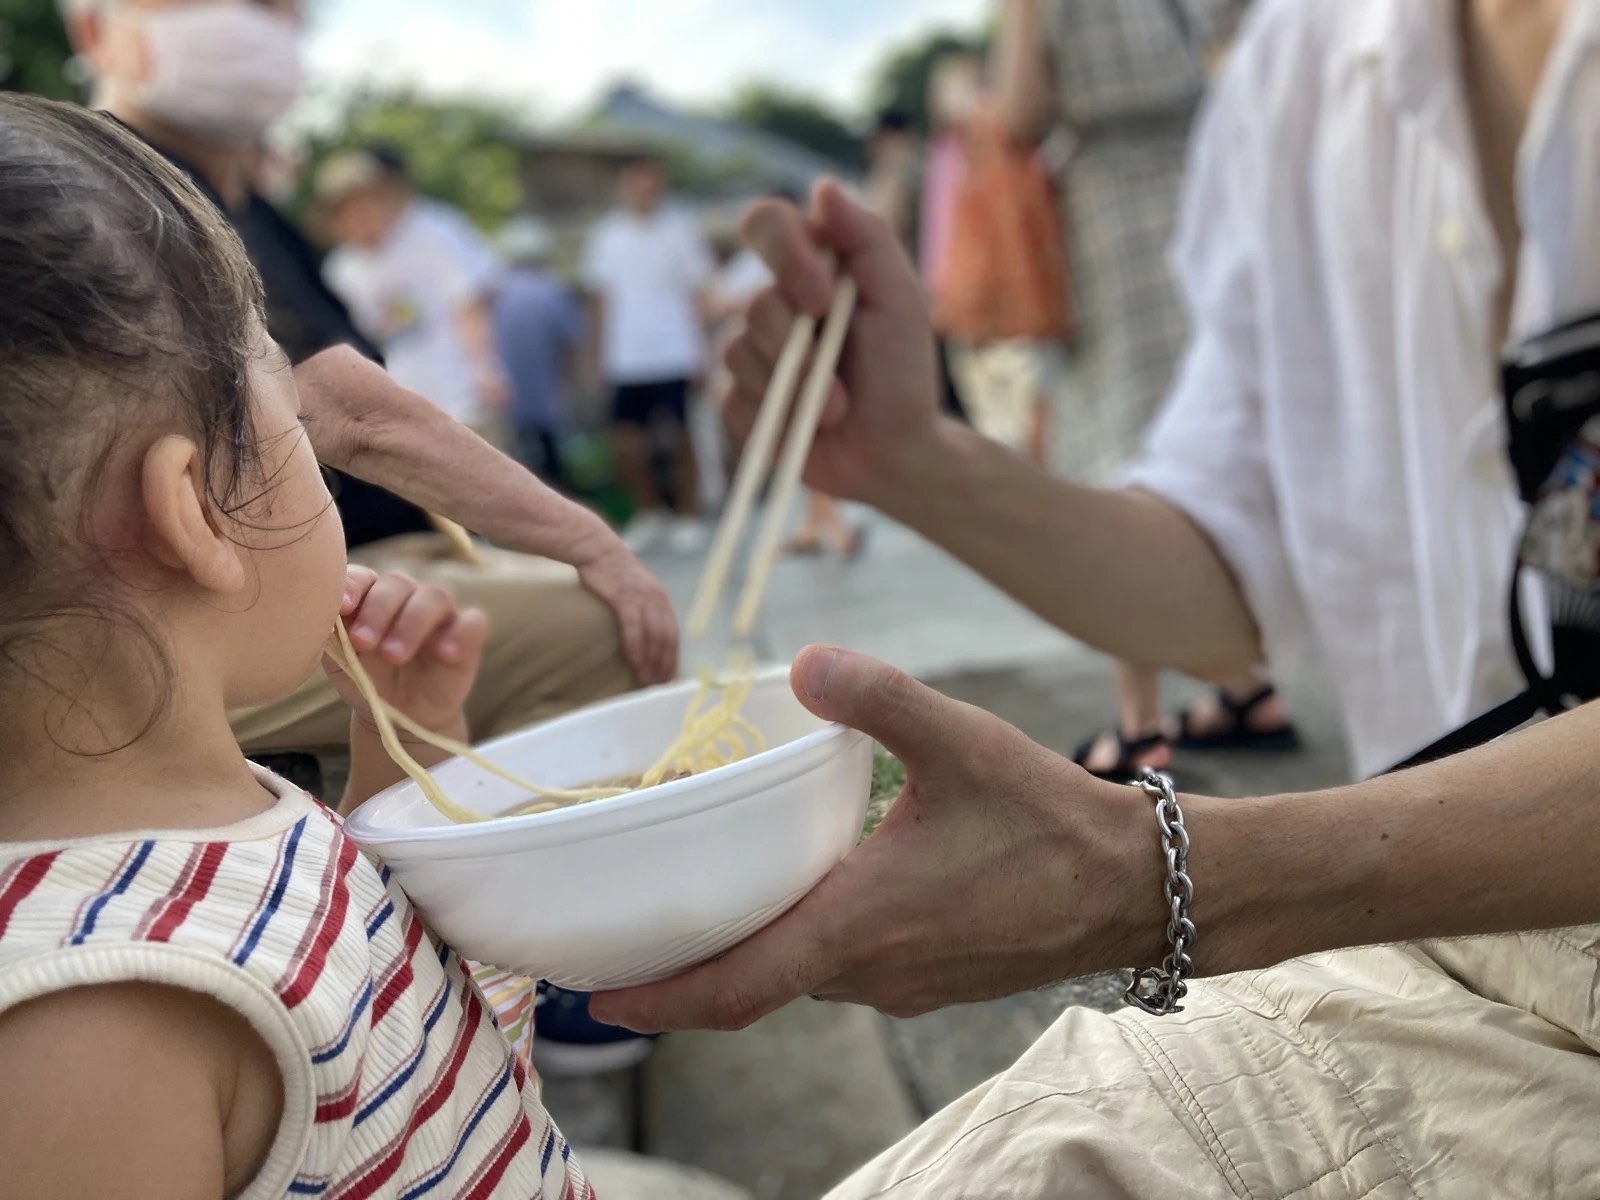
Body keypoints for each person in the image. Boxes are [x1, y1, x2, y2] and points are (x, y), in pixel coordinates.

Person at [590, 1, 1600, 1192]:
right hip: (1438, 952)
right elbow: (1224, 582)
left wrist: (1156, 875)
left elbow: (1019, 104)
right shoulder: (1302, 65)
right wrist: (909, 458)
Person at [0, 94, 589, 1197]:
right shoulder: (96, 1026)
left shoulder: (202, 811)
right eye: (288, 403)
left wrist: (403, 736)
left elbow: (369, 960)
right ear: (194, 512)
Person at [62, 0, 678, 768]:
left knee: (535, 623)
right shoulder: (113, 195)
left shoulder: (231, 202)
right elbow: (347, 410)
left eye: (272, 5)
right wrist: (592, 541)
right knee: (601, 629)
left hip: (340, 570)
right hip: (190, 626)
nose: (247, 20)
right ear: (94, 29)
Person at [994, 0, 1292, 781]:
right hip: (1206, 186)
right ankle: (1247, 684)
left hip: (1111, 221)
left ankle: (1139, 724)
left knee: (1126, 456)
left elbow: (1020, 112)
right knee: (1211, 435)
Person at [318, 146, 512, 445]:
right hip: (398, 412)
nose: (363, 218)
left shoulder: (432, 232)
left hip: (460, 397)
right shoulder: (340, 270)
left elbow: (469, 303)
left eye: (369, 204)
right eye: (350, 211)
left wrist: (486, 369)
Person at [582, 151, 715, 554]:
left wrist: (703, 352)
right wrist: (598, 355)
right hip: (627, 356)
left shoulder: (681, 228)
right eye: (636, 180)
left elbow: (698, 293)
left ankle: (688, 515)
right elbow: (601, 299)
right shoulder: (607, 235)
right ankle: (650, 513)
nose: (644, 188)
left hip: (675, 350)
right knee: (626, 442)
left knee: (680, 436)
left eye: (651, 179)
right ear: (622, 185)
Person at [492, 215, 587, 493]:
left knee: (513, 462)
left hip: (505, 396)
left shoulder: (495, 291)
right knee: (552, 462)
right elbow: (571, 343)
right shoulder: (552, 290)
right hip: (547, 393)